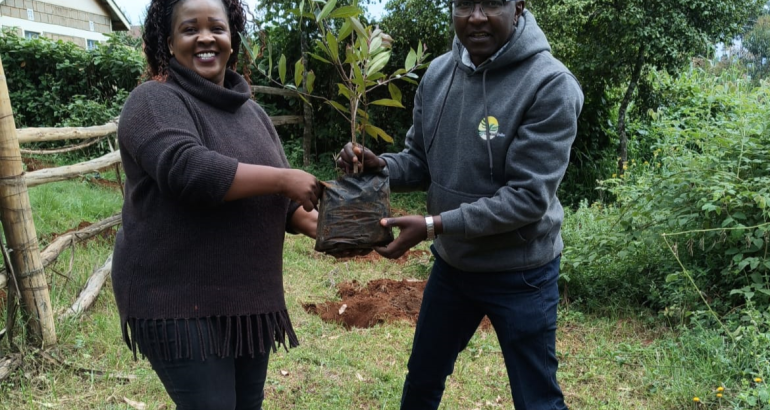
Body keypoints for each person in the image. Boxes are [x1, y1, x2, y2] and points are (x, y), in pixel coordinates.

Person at [339, 1, 583, 409]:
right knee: (421, 383)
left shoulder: (549, 84)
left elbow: (527, 199)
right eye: (464, 3)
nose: (476, 15)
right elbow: (419, 160)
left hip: (521, 273)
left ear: (518, 6)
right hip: (454, 267)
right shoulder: (437, 74)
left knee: (536, 397)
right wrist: (378, 167)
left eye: (491, 3)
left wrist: (434, 225)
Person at [111, 0, 320, 408]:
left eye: (217, 28)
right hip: (176, 298)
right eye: (190, 29)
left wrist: (334, 227)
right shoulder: (152, 102)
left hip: (247, 303)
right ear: (169, 43)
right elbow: (187, 170)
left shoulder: (253, 114)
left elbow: (283, 203)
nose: (205, 37)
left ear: (231, 38)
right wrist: (283, 179)